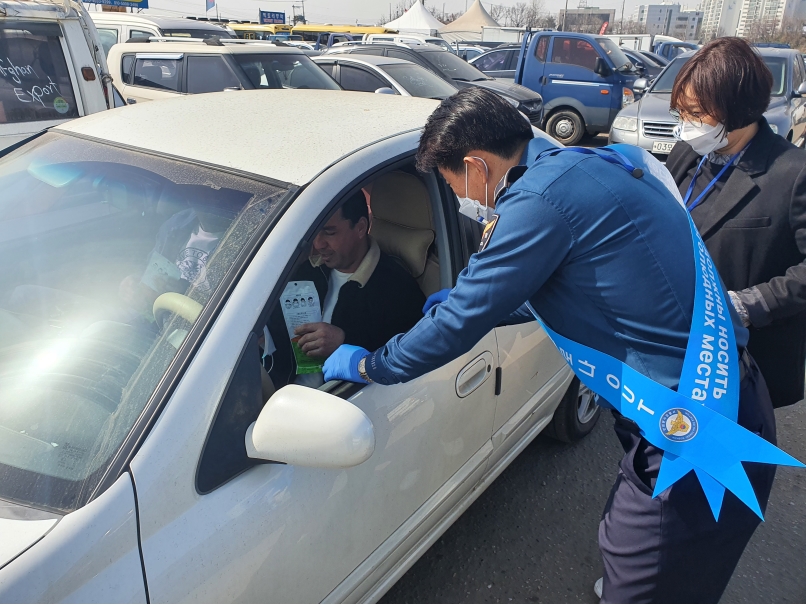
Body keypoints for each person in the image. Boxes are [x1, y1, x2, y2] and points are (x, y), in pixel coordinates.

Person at [323, 88, 779, 602]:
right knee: (643, 554)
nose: (460, 201)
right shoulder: (587, 164)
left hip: (695, 433)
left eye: (454, 187)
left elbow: (457, 327)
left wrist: (370, 365)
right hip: (717, 393)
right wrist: (478, 303)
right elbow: (567, 287)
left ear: (476, 166)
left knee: (651, 577)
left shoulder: (536, 201)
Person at [665, 37, 806, 409]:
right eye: (680, 112)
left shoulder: (792, 173)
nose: (685, 126)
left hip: (748, 362)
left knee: (735, 464)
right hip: (679, 351)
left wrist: (749, 304)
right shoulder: (687, 154)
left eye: (696, 114)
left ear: (738, 109)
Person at [266, 190, 425, 387]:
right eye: (316, 230)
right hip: (281, 388)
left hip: (341, 402)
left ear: (360, 228)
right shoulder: (305, 270)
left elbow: (409, 356)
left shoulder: (398, 289)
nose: (318, 243)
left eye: (330, 232)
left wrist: (344, 340)